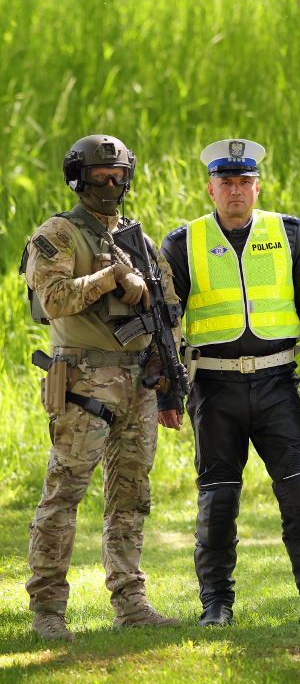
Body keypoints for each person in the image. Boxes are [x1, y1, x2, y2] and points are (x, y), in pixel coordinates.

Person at [158, 139, 300, 626]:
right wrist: (168, 391)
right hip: (215, 389)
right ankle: (217, 606)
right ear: (210, 189)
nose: (236, 191)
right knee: (218, 502)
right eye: (226, 182)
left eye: (244, 182)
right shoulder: (183, 243)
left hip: (278, 385)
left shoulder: (288, 233)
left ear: (257, 186)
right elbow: (164, 325)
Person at [21, 134, 182, 641]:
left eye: (118, 176)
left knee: (131, 495)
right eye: (99, 176)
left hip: (139, 382)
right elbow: (54, 299)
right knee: (64, 492)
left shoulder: (140, 241)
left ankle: (130, 601)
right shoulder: (60, 234)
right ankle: (48, 608)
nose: (110, 184)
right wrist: (111, 277)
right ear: (79, 177)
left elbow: (168, 311)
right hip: (83, 381)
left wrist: (169, 376)